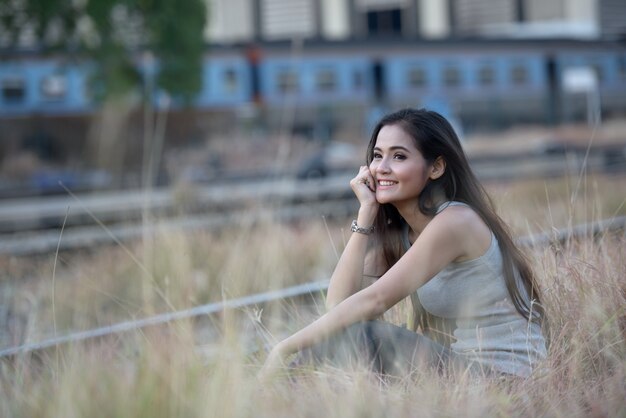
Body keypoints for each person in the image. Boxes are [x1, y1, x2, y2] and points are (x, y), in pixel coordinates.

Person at [260, 108, 547, 379]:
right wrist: (366, 213)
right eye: (377, 155)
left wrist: (284, 347)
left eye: (398, 157)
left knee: (366, 336)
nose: (381, 168)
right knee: (347, 334)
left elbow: (375, 301)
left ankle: (276, 391)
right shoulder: (406, 237)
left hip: (505, 378)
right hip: (465, 371)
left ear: (435, 168)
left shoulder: (456, 222)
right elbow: (338, 306)